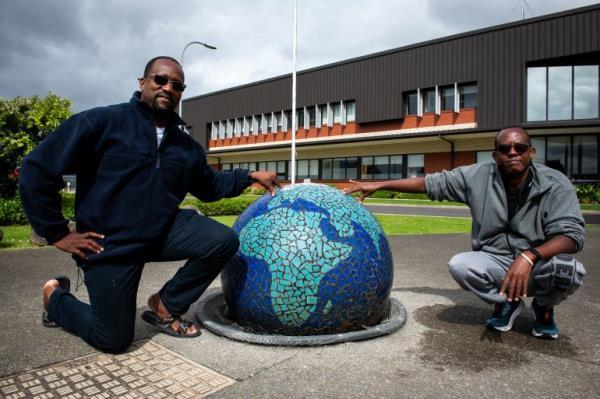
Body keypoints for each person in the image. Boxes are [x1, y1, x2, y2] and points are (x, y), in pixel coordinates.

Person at [19, 56, 280, 353]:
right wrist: (56, 233)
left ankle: (165, 305)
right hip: (109, 246)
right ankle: (55, 298)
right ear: (143, 83)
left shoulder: (185, 147)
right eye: (160, 80)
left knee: (221, 240)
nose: (168, 87)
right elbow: (37, 168)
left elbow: (208, 187)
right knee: (113, 340)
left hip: (160, 233)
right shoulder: (102, 122)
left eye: (177, 85)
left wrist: (250, 176)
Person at [344, 127, 586, 339]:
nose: (512, 153)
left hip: (538, 265)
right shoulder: (478, 177)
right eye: (504, 149)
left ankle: (544, 307)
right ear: (496, 155)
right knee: (460, 265)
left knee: (567, 268)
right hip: (497, 261)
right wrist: (379, 184)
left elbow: (572, 236)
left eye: (519, 147)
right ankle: (507, 303)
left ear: (531, 152)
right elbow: (430, 184)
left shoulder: (555, 183)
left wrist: (529, 256)